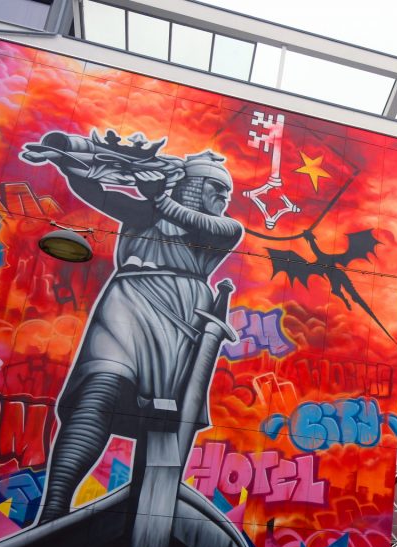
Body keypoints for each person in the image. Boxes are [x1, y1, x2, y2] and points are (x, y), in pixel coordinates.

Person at [27, 141, 244, 523]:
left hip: (182, 317)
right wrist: (68, 161)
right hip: (127, 300)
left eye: (226, 191)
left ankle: (147, 518)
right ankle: (54, 507)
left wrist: (158, 196)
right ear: (194, 185)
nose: (224, 197)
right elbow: (97, 193)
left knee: (164, 417)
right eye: (216, 188)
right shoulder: (145, 213)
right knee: (97, 391)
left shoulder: (226, 228)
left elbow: (200, 223)